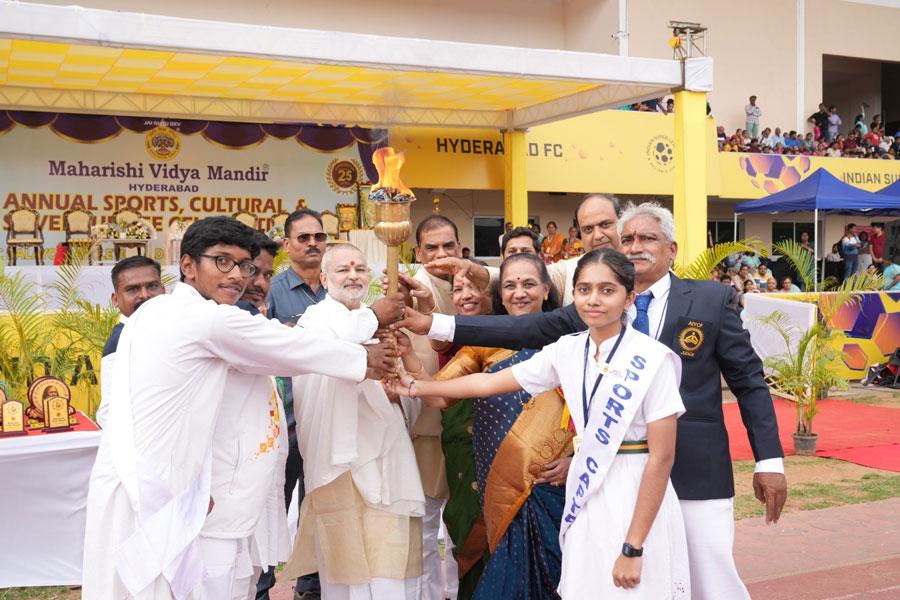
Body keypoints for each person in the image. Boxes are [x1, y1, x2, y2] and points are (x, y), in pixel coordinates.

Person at [398, 203, 787, 600]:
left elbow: (750, 383)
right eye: (628, 238)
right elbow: (515, 336)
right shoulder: (583, 326)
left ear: (672, 248)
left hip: (690, 472)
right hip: (599, 480)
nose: (636, 247)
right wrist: (431, 334)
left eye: (647, 238)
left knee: (705, 581)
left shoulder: (709, 301)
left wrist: (769, 461)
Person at [82, 216, 403, 599]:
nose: (236, 275)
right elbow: (288, 348)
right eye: (221, 261)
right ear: (188, 266)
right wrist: (370, 327)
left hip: (163, 482)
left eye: (244, 266)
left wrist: (360, 356)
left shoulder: (159, 312)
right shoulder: (205, 319)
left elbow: (265, 357)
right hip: (165, 487)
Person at [400, 249, 690, 598]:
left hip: (633, 487)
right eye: (584, 290)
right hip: (586, 494)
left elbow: (661, 458)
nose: (593, 300)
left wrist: (634, 545)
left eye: (607, 290)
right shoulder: (567, 350)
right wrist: (416, 386)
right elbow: (487, 384)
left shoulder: (652, 360)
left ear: (629, 297)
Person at [406, 253, 571, 599]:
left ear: (546, 290)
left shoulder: (572, 341)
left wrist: (577, 460)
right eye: (509, 285)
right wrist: (407, 353)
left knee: (561, 580)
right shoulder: (484, 342)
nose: (518, 293)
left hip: (556, 485)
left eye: (528, 284)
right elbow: (438, 395)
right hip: (498, 488)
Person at [282, 243, 425, 600]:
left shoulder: (381, 326)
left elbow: (408, 402)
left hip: (386, 461)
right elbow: (335, 353)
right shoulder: (316, 320)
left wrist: (397, 392)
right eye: (343, 269)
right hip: (340, 463)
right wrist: (376, 320)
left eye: (360, 269)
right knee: (347, 574)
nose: (353, 275)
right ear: (324, 278)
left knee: (389, 561)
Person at [203, 233, 290, 599]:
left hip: (257, 475)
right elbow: (301, 349)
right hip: (221, 486)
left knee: (252, 572)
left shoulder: (252, 316)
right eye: (248, 270)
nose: (256, 283)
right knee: (221, 578)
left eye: (265, 274)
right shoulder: (225, 320)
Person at [261, 208, 330, 599]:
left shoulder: (338, 287)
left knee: (317, 504)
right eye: (303, 238)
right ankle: (262, 584)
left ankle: (312, 585)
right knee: (273, 504)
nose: (312, 244)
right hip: (283, 419)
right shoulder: (271, 290)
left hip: (323, 417)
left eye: (318, 237)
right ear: (287, 245)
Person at [438, 272, 492, 599]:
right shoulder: (461, 344)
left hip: (518, 465)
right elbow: (439, 392)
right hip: (464, 457)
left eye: (476, 287)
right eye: (458, 289)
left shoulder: (525, 338)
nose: (466, 295)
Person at [97, 256, 165, 427]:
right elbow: (108, 413)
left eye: (152, 286)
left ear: (163, 290)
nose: (145, 295)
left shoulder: (171, 328)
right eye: (133, 289)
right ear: (116, 300)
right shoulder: (121, 341)